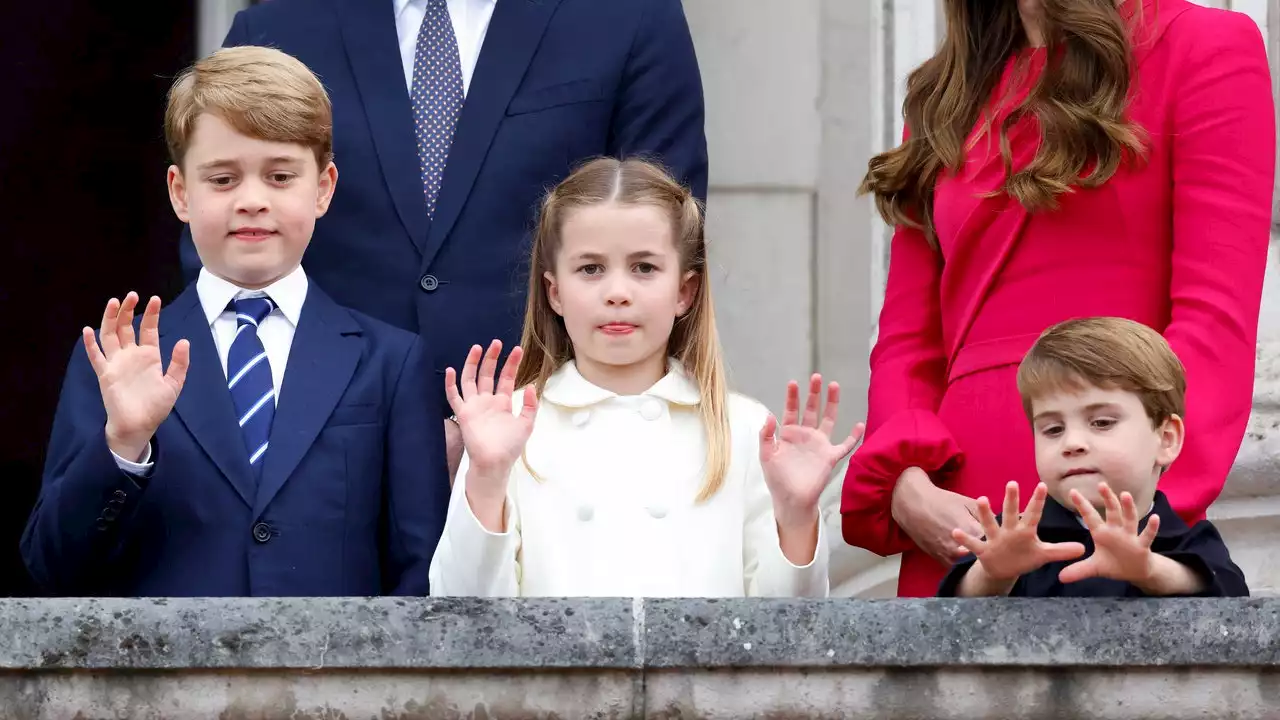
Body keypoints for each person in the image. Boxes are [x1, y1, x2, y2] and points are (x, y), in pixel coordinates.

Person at [840, 0, 1274, 597]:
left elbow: (1214, 319)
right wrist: (905, 483)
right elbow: (908, 339)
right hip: (963, 526)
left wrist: (1141, 510)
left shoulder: (1204, 44)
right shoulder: (947, 91)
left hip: (1112, 519)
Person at [197, 0, 710, 476]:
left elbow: (664, 243)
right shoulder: (279, 25)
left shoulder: (629, 15)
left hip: (561, 452)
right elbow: (225, 253)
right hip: (326, 461)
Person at [20, 47, 450, 597]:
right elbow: (53, 566)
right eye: (222, 179)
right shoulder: (116, 358)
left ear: (323, 187)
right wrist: (123, 444)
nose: (251, 201)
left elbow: (420, 568)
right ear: (180, 192)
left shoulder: (391, 362)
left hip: (337, 679)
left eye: (279, 176)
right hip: (167, 678)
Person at [426, 158, 864, 597]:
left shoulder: (744, 430)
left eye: (644, 268)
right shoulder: (511, 429)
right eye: (591, 269)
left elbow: (789, 634)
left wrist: (797, 515)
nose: (618, 292)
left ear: (684, 292)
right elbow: (465, 616)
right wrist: (485, 476)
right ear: (554, 292)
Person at [937, 317, 1248, 598]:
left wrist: (1149, 570)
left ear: (1165, 439)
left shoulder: (1184, 540)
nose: (1071, 443)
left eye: (1102, 422)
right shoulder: (1019, 537)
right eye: (1053, 429)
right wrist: (993, 573)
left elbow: (1232, 600)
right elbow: (950, 617)